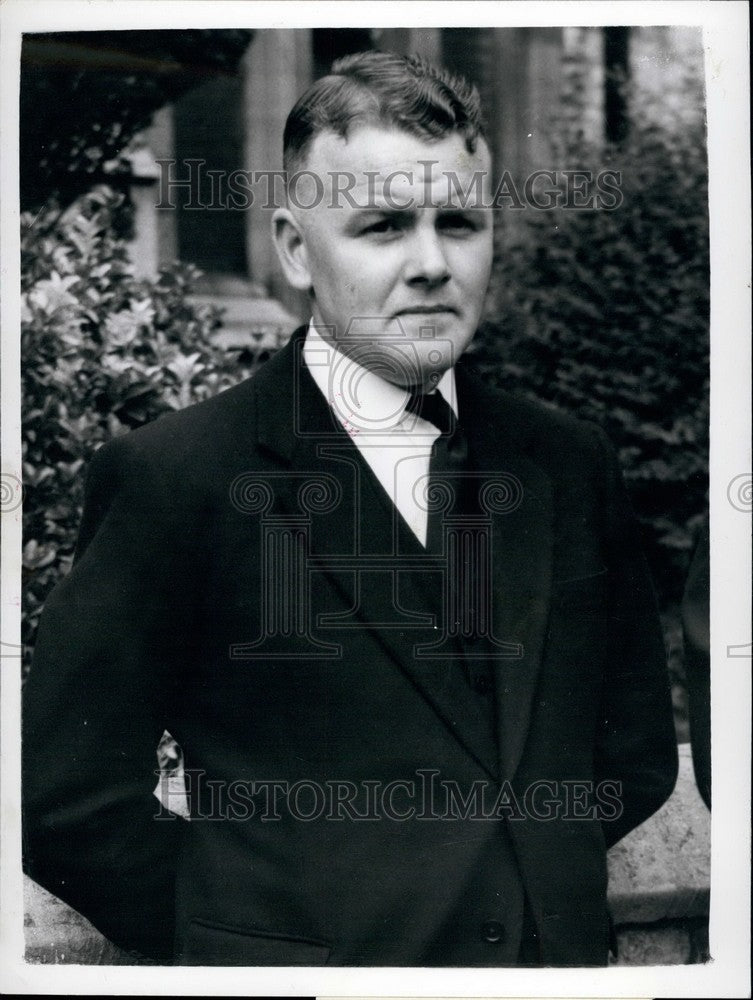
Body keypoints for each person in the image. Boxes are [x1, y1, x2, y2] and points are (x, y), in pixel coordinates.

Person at [23, 51, 678, 967]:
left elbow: (634, 750)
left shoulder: (567, 460)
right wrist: (252, 942)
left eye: (459, 222)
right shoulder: (178, 477)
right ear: (296, 249)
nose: (431, 264)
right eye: (381, 226)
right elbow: (63, 800)